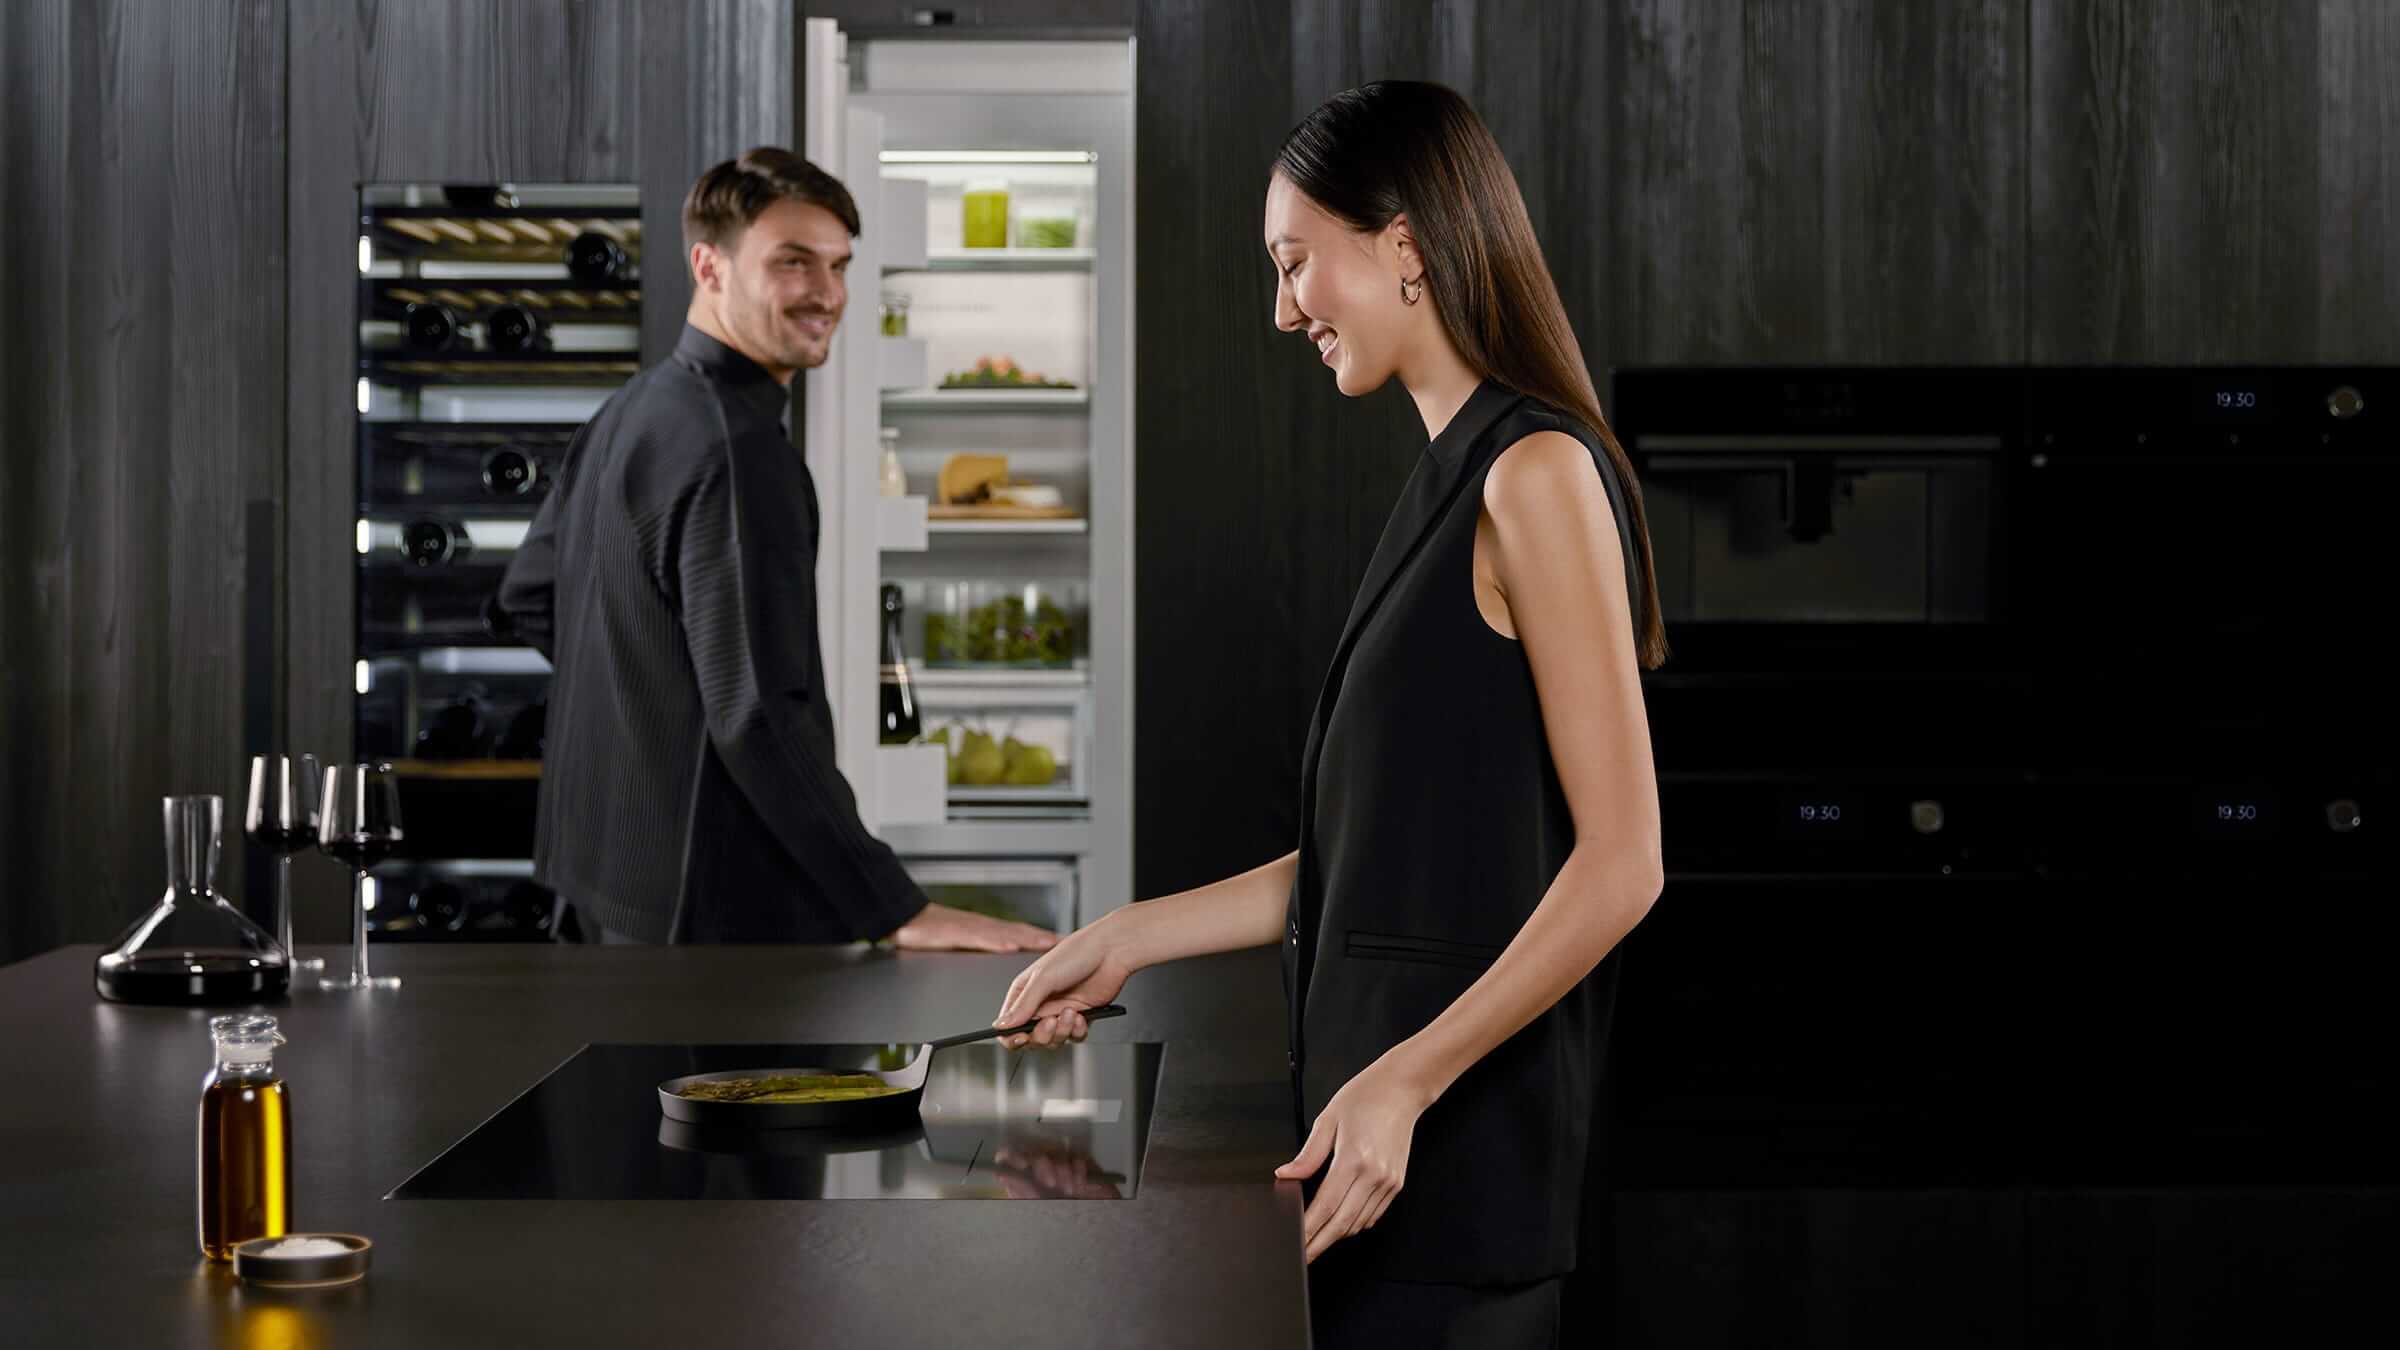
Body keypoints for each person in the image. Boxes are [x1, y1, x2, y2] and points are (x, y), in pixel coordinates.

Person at [990, 83, 1670, 1347]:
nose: (1284, 308)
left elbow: (1624, 866)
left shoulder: (1535, 472)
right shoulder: (1447, 479)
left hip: (1450, 1171)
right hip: (1371, 1162)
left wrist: (1404, 1081)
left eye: (1298, 263)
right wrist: (1132, 935)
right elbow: (1379, 856)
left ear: (1406, 245)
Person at [495, 147, 1056, 954]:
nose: (826, 293)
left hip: (599, 900)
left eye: (838, 265)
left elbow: (527, 599)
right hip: (710, 925)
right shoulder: (739, 450)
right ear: (709, 266)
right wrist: (897, 908)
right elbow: (757, 712)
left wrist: (648, 705)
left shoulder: (628, 412)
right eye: (793, 263)